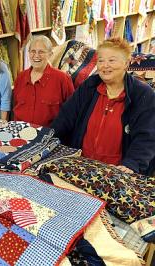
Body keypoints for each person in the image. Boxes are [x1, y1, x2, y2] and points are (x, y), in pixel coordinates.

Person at [51, 37, 155, 175]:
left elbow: (147, 137)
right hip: (82, 167)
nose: (105, 65)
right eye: (101, 60)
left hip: (117, 173)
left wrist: (132, 163)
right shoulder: (89, 86)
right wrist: (48, 142)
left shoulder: (143, 95)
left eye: (112, 60)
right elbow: (65, 118)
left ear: (126, 63)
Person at [12, 35, 74, 127]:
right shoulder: (20, 78)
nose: (36, 55)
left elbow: (72, 112)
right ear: (28, 53)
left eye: (41, 52)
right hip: (20, 135)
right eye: (33, 51)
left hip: (49, 136)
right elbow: (15, 106)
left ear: (50, 54)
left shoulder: (62, 79)